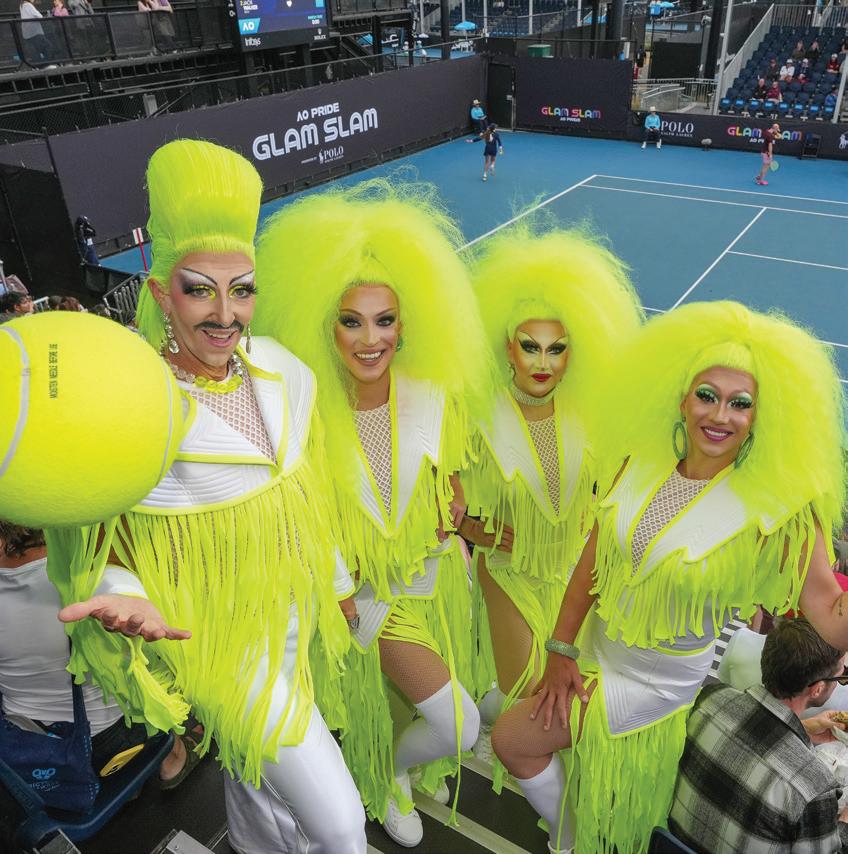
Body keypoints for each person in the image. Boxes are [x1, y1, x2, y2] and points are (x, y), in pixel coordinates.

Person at [51, 139, 367, 854]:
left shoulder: (287, 371)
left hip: (299, 625)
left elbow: (309, 497)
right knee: (342, 828)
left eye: (242, 289)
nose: (226, 314)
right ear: (161, 291)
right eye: (200, 290)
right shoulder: (132, 407)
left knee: (262, 777)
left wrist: (337, 587)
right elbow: (106, 540)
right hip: (225, 649)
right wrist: (123, 594)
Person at [490, 301, 847, 854]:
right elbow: (592, 561)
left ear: (760, 418)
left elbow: (828, 610)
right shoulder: (639, 461)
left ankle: (571, 836)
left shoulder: (775, 515)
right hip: (594, 653)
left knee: (511, 739)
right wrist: (561, 648)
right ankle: (578, 831)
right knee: (577, 774)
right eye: (707, 395)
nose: (720, 415)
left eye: (740, 403)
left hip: (653, 686)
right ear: (681, 399)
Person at [254, 181, 487, 848]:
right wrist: (343, 590)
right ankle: (390, 773)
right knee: (461, 725)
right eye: (351, 321)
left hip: (439, 583)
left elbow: (450, 481)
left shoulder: (435, 393)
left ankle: (403, 767)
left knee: (416, 705)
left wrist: (453, 502)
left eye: (384, 320)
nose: (370, 338)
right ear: (324, 325)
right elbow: (303, 518)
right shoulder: (305, 415)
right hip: (368, 600)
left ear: (406, 324)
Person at [460, 229, 642, 790]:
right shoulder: (476, 415)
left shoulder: (590, 416)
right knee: (531, 697)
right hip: (508, 574)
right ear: (506, 348)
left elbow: (614, 493)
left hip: (569, 577)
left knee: (562, 696)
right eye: (530, 346)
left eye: (556, 348)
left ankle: (493, 718)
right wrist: (474, 529)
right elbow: (444, 497)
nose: (543, 361)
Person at [0, 522, 200, 820]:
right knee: (157, 686)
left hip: (31, 742)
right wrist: (130, 591)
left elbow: (116, 586)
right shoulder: (83, 567)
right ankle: (173, 762)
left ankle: (124, 787)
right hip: (112, 736)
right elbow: (114, 583)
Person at [669, 617, 848, 852]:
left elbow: (749, 741)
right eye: (841, 676)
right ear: (817, 688)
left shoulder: (710, 700)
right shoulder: (815, 787)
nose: (841, 681)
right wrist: (845, 820)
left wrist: (804, 728)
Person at [19, 0, 54, 67]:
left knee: (37, 49)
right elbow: (39, 15)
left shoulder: (22, 5)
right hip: (34, 30)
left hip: (27, 31)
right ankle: (45, 65)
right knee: (48, 46)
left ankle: (40, 65)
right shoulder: (28, 5)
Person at [756, 121, 779, 186]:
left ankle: (759, 176)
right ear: (774, 128)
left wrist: (775, 133)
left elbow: (774, 134)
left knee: (764, 165)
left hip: (763, 151)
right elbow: (770, 145)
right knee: (766, 167)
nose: (777, 131)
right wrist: (770, 154)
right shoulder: (770, 135)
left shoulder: (767, 132)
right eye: (777, 130)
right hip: (767, 153)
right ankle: (760, 181)